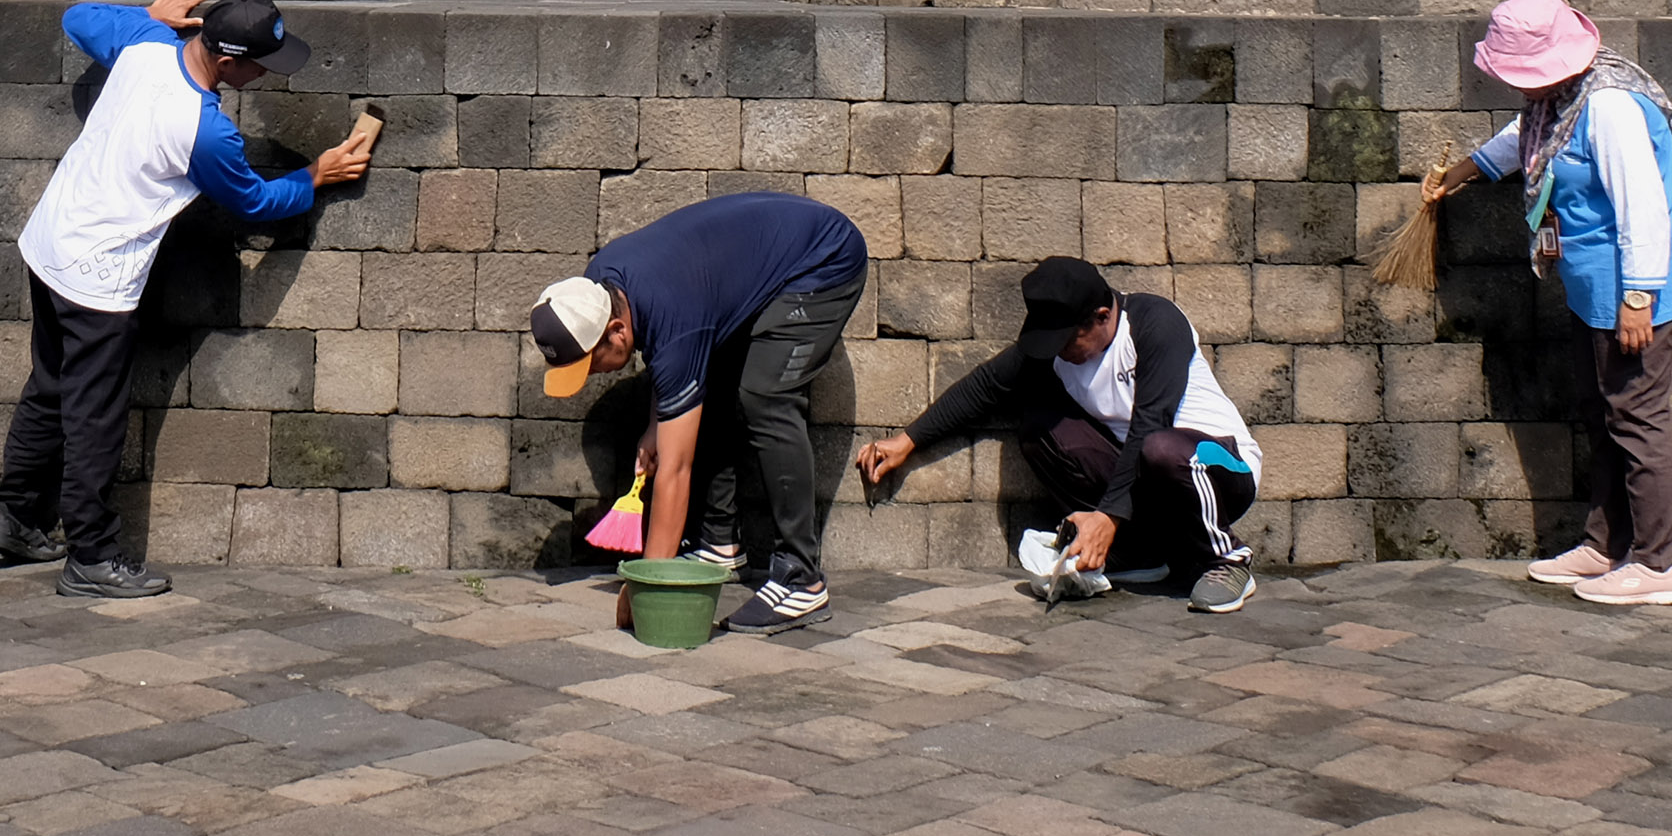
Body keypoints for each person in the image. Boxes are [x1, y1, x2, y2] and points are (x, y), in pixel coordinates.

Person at [0, 0, 377, 598]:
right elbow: (254, 202)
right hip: (99, 278)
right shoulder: (204, 130)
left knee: (51, 385)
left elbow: (77, 18)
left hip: (50, 242)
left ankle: (16, 518)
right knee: (94, 416)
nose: (265, 75)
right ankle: (91, 556)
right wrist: (314, 177)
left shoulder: (146, 43)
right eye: (260, 65)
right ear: (227, 61)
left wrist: (148, 14)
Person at [1426, 0, 1672, 607]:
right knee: (1604, 413)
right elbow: (1521, 140)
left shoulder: (1609, 106)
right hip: (1592, 289)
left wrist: (1639, 298)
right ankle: (1605, 545)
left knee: (1638, 419)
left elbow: (1643, 206)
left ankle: (1659, 564)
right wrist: (1459, 174)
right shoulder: (1561, 100)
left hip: (1630, 288)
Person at [852, 254, 1264, 615]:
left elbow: (1151, 422)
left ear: (1102, 316)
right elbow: (987, 386)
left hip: (1219, 467)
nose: (1061, 352)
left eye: (1068, 340)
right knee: (1040, 429)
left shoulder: (1156, 324)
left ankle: (1228, 561)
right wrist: (908, 441)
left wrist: (1107, 516)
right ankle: (1139, 553)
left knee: (1161, 448)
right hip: (1145, 478)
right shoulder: (1057, 352)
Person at [530, 190, 868, 628]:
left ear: (616, 331)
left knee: (765, 395)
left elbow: (675, 470)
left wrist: (646, 585)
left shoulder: (668, 314)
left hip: (823, 257)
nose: (593, 375)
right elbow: (673, 353)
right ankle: (720, 543)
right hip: (752, 266)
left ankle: (801, 579)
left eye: (591, 363)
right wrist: (655, 423)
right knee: (702, 381)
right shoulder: (598, 285)